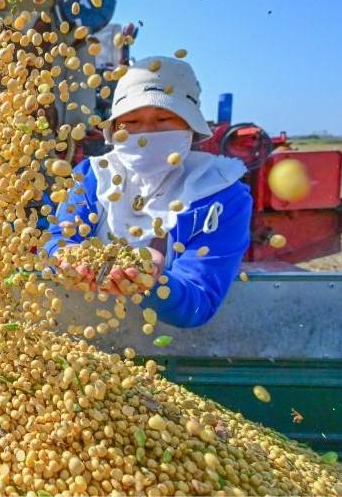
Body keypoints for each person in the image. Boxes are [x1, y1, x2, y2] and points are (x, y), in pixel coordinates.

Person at [43, 56, 252, 327]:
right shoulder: (95, 174)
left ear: (189, 127)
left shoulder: (220, 194)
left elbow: (199, 301)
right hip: (82, 328)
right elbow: (59, 238)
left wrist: (152, 282)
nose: (145, 134)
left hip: (173, 345)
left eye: (163, 118)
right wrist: (61, 255)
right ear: (115, 129)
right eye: (131, 121)